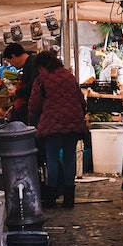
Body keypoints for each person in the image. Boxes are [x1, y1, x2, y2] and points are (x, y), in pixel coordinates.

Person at [28, 49, 88, 208]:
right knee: (69, 158)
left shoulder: (41, 80)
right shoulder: (69, 76)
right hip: (73, 124)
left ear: (41, 66)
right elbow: (81, 101)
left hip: (52, 125)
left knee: (52, 159)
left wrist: (33, 118)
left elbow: (34, 106)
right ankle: (69, 199)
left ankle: (51, 198)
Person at [2, 42, 38, 124]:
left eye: (9, 61)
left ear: (13, 57)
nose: (11, 65)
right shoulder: (29, 63)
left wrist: (17, 93)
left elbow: (33, 85)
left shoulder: (32, 64)